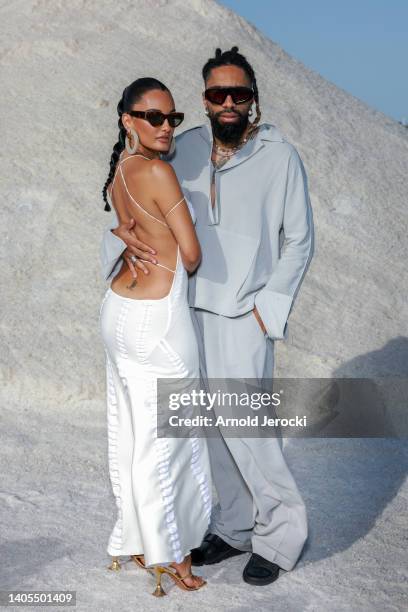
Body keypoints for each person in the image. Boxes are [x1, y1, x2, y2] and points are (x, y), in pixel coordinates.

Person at [101, 48, 315, 586]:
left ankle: (281, 536)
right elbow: (137, 207)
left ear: (252, 100)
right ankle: (236, 526)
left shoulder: (280, 156)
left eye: (237, 94)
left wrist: (270, 308)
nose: (227, 103)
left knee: (250, 432)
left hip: (243, 315)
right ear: (204, 99)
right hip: (183, 308)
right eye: (217, 94)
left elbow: (299, 239)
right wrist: (121, 245)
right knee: (207, 431)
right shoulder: (184, 147)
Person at [98, 77, 212, 596]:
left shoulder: (118, 170)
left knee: (130, 431)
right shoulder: (159, 173)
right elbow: (190, 256)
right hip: (158, 322)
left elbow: (126, 229)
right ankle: (176, 557)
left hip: (118, 312)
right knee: (172, 440)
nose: (166, 128)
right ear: (128, 120)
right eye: (154, 118)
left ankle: (139, 540)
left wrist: (133, 236)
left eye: (173, 118)